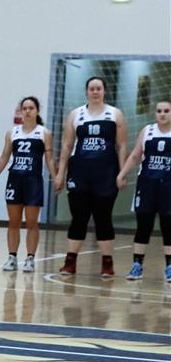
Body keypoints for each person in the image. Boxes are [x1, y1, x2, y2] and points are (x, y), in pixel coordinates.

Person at [54, 76, 127, 277]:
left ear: (104, 91)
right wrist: (60, 173)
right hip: (79, 172)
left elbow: (121, 145)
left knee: (103, 217)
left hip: (106, 174)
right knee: (79, 217)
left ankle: (107, 264)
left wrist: (122, 172)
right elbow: (67, 146)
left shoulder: (115, 114)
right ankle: (70, 262)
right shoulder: (75, 114)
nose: (95, 92)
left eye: (98, 88)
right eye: (92, 88)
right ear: (86, 91)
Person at [0, 96, 55, 273]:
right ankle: (12, 257)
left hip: (33, 182)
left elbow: (49, 159)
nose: (27, 111)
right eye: (24, 108)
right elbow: (4, 158)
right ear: (20, 111)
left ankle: (30, 258)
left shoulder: (44, 133)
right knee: (14, 222)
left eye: (31, 108)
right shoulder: (12, 133)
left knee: (32, 222)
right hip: (15, 180)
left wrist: (56, 177)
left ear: (37, 110)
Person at [117, 99, 171, 282]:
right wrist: (122, 174)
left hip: (168, 187)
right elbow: (135, 155)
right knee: (143, 226)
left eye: (166, 111)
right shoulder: (147, 131)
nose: (162, 114)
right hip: (147, 185)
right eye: (159, 111)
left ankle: (169, 267)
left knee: (168, 226)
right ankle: (137, 265)